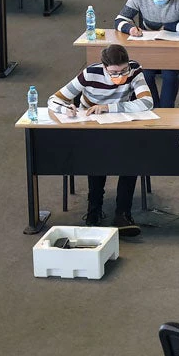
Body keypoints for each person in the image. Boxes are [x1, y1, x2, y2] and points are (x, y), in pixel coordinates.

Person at [48, 44, 153, 237]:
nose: (119, 76)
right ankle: (94, 210)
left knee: (131, 157)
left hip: (120, 124)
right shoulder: (89, 74)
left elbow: (147, 102)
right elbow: (54, 99)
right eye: (114, 72)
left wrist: (108, 107)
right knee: (96, 156)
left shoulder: (134, 70)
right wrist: (67, 109)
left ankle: (123, 214)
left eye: (123, 70)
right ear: (104, 67)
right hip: (91, 127)